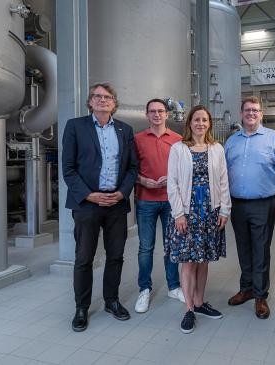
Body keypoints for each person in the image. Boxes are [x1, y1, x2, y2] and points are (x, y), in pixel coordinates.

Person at [62, 82, 138, 332]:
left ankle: (111, 301)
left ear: (114, 103)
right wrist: (90, 195)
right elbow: (69, 169)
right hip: (87, 205)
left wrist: (122, 193)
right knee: (84, 258)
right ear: (90, 102)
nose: (102, 100)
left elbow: (131, 168)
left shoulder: (124, 130)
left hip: (116, 204)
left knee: (115, 256)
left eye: (107, 97)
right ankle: (81, 307)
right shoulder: (75, 127)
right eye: (97, 96)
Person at [225, 96, 275, 319]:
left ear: (261, 114)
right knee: (243, 247)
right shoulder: (231, 141)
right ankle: (247, 289)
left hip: (264, 203)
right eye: (247, 110)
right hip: (237, 204)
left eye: (255, 110)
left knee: (261, 249)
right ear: (241, 113)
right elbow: (222, 173)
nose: (251, 113)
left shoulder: (274, 138)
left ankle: (261, 295)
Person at [165, 105, 231, 334]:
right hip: (187, 211)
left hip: (210, 212)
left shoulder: (217, 149)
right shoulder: (178, 149)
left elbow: (224, 182)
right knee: (188, 261)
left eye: (204, 119)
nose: (200, 123)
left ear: (209, 123)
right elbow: (171, 183)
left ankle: (201, 303)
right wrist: (178, 214)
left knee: (203, 260)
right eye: (196, 119)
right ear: (189, 123)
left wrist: (224, 211)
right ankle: (189, 309)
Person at [133, 98, 185, 313]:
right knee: (146, 247)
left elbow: (185, 170)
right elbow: (129, 168)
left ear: (167, 115)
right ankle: (144, 289)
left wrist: (172, 179)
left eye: (160, 111)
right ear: (147, 115)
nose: (156, 114)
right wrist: (142, 180)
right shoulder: (137, 139)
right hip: (145, 199)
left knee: (171, 246)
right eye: (152, 111)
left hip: (172, 201)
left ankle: (173, 286)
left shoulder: (178, 139)